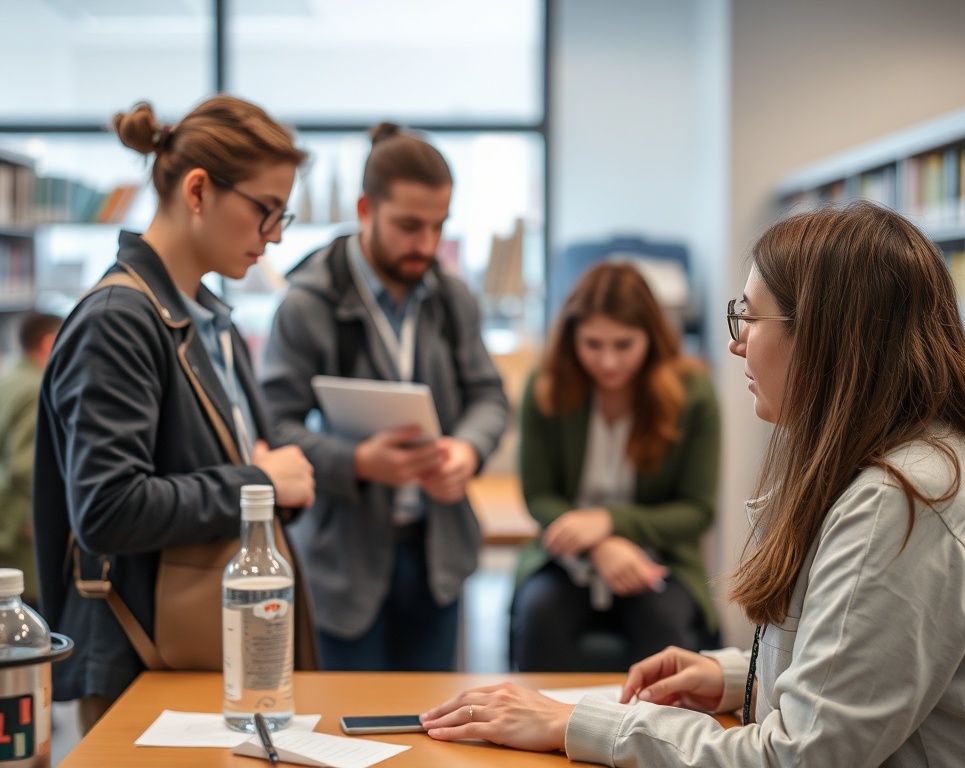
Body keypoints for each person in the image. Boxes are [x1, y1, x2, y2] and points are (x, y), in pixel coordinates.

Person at [419, 200, 965, 766]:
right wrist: (739, 676)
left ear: (823, 335)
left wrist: (579, 724)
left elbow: (800, 756)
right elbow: (867, 664)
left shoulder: (900, 504)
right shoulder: (915, 463)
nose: (735, 344)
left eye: (749, 317)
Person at [33, 95, 316, 733]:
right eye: (266, 210)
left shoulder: (206, 317)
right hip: (144, 668)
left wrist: (272, 485)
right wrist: (261, 485)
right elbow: (108, 508)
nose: (274, 235)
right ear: (197, 191)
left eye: (283, 214)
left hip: (210, 656)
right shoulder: (118, 323)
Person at [260, 122, 509, 672]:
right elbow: (274, 426)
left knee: (431, 727)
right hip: (341, 557)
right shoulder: (307, 305)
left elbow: (489, 397)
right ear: (365, 208)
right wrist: (358, 462)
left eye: (438, 226)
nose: (425, 244)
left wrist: (466, 452)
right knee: (346, 732)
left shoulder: (452, 299)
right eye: (408, 226)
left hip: (435, 551)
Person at [511, 261, 720, 671]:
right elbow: (538, 495)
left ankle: (657, 736)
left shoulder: (693, 395)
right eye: (593, 344)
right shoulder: (545, 387)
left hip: (661, 558)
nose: (608, 362)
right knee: (540, 615)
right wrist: (598, 544)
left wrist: (609, 523)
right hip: (563, 557)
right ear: (571, 337)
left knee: (662, 623)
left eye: (624, 345)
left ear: (652, 338)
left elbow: (697, 511)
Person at [0, 311, 62, 608]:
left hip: (6, 522)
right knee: (27, 621)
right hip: (21, 528)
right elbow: (26, 466)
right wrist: (42, 513)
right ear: (50, 343)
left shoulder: (10, 379)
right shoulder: (35, 388)